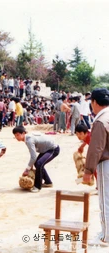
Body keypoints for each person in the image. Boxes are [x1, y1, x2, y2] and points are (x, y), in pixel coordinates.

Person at [83, 88, 109, 247]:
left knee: (105, 201)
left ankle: (106, 236)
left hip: (106, 164)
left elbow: (96, 148)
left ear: (94, 102)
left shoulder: (101, 120)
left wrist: (88, 170)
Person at [12, 126, 60, 193]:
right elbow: (32, 154)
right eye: (15, 135)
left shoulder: (29, 140)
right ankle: (48, 182)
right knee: (37, 163)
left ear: (23, 133)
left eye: (18, 135)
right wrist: (30, 165)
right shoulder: (27, 138)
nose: (16, 137)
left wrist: (27, 170)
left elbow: (33, 157)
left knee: (39, 163)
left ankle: (37, 186)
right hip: (46, 149)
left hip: (53, 149)